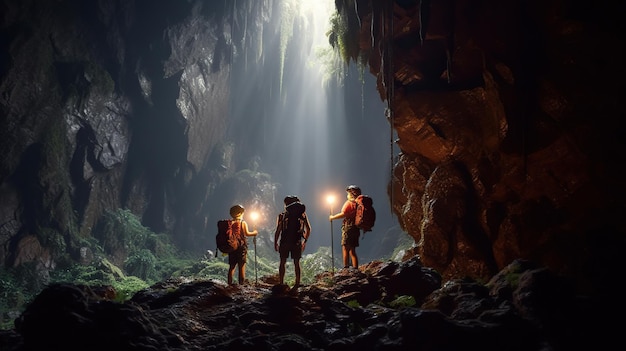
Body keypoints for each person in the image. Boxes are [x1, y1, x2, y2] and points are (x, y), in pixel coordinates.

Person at [274, 195, 312, 288]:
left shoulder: (283, 215)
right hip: (297, 241)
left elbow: (278, 230)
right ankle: (297, 283)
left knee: (282, 261)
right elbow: (308, 229)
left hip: (284, 241)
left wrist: (275, 242)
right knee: (296, 262)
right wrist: (305, 241)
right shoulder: (302, 215)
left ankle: (281, 283)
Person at [329, 185, 361, 270]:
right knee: (352, 250)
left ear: (351, 194)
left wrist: (332, 217)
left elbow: (344, 214)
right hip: (356, 228)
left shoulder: (349, 203)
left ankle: (346, 268)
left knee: (345, 248)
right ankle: (355, 269)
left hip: (349, 227)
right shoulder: (359, 204)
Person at [227, 204, 258, 285]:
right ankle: (241, 285)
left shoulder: (229, 223)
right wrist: (255, 232)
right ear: (239, 213)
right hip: (241, 247)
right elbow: (247, 233)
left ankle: (229, 285)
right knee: (241, 266)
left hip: (232, 247)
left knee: (232, 267)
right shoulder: (242, 222)